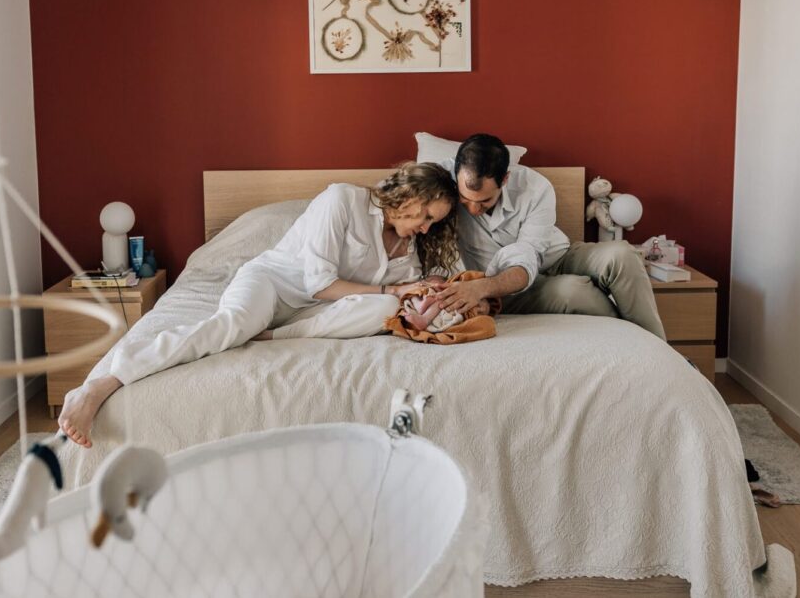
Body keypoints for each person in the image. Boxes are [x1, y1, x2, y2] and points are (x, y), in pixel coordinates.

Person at [59, 162, 460, 447]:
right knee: (232, 326)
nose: (426, 227)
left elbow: (380, 300)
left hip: (314, 314)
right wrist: (394, 291)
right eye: (425, 215)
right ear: (409, 196)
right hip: (273, 284)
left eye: (433, 223)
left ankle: (274, 336)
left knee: (381, 311)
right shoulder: (343, 200)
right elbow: (319, 283)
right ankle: (100, 385)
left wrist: (422, 291)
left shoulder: (410, 249)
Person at [431, 133, 666, 338]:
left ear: (505, 180)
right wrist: (479, 288)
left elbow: (528, 254)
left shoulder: (535, 187)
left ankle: (659, 350)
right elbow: (403, 195)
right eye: (465, 200)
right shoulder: (438, 181)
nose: (473, 209)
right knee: (574, 290)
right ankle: (633, 345)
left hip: (557, 256)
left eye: (484, 201)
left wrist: (481, 288)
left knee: (623, 253)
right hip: (506, 286)